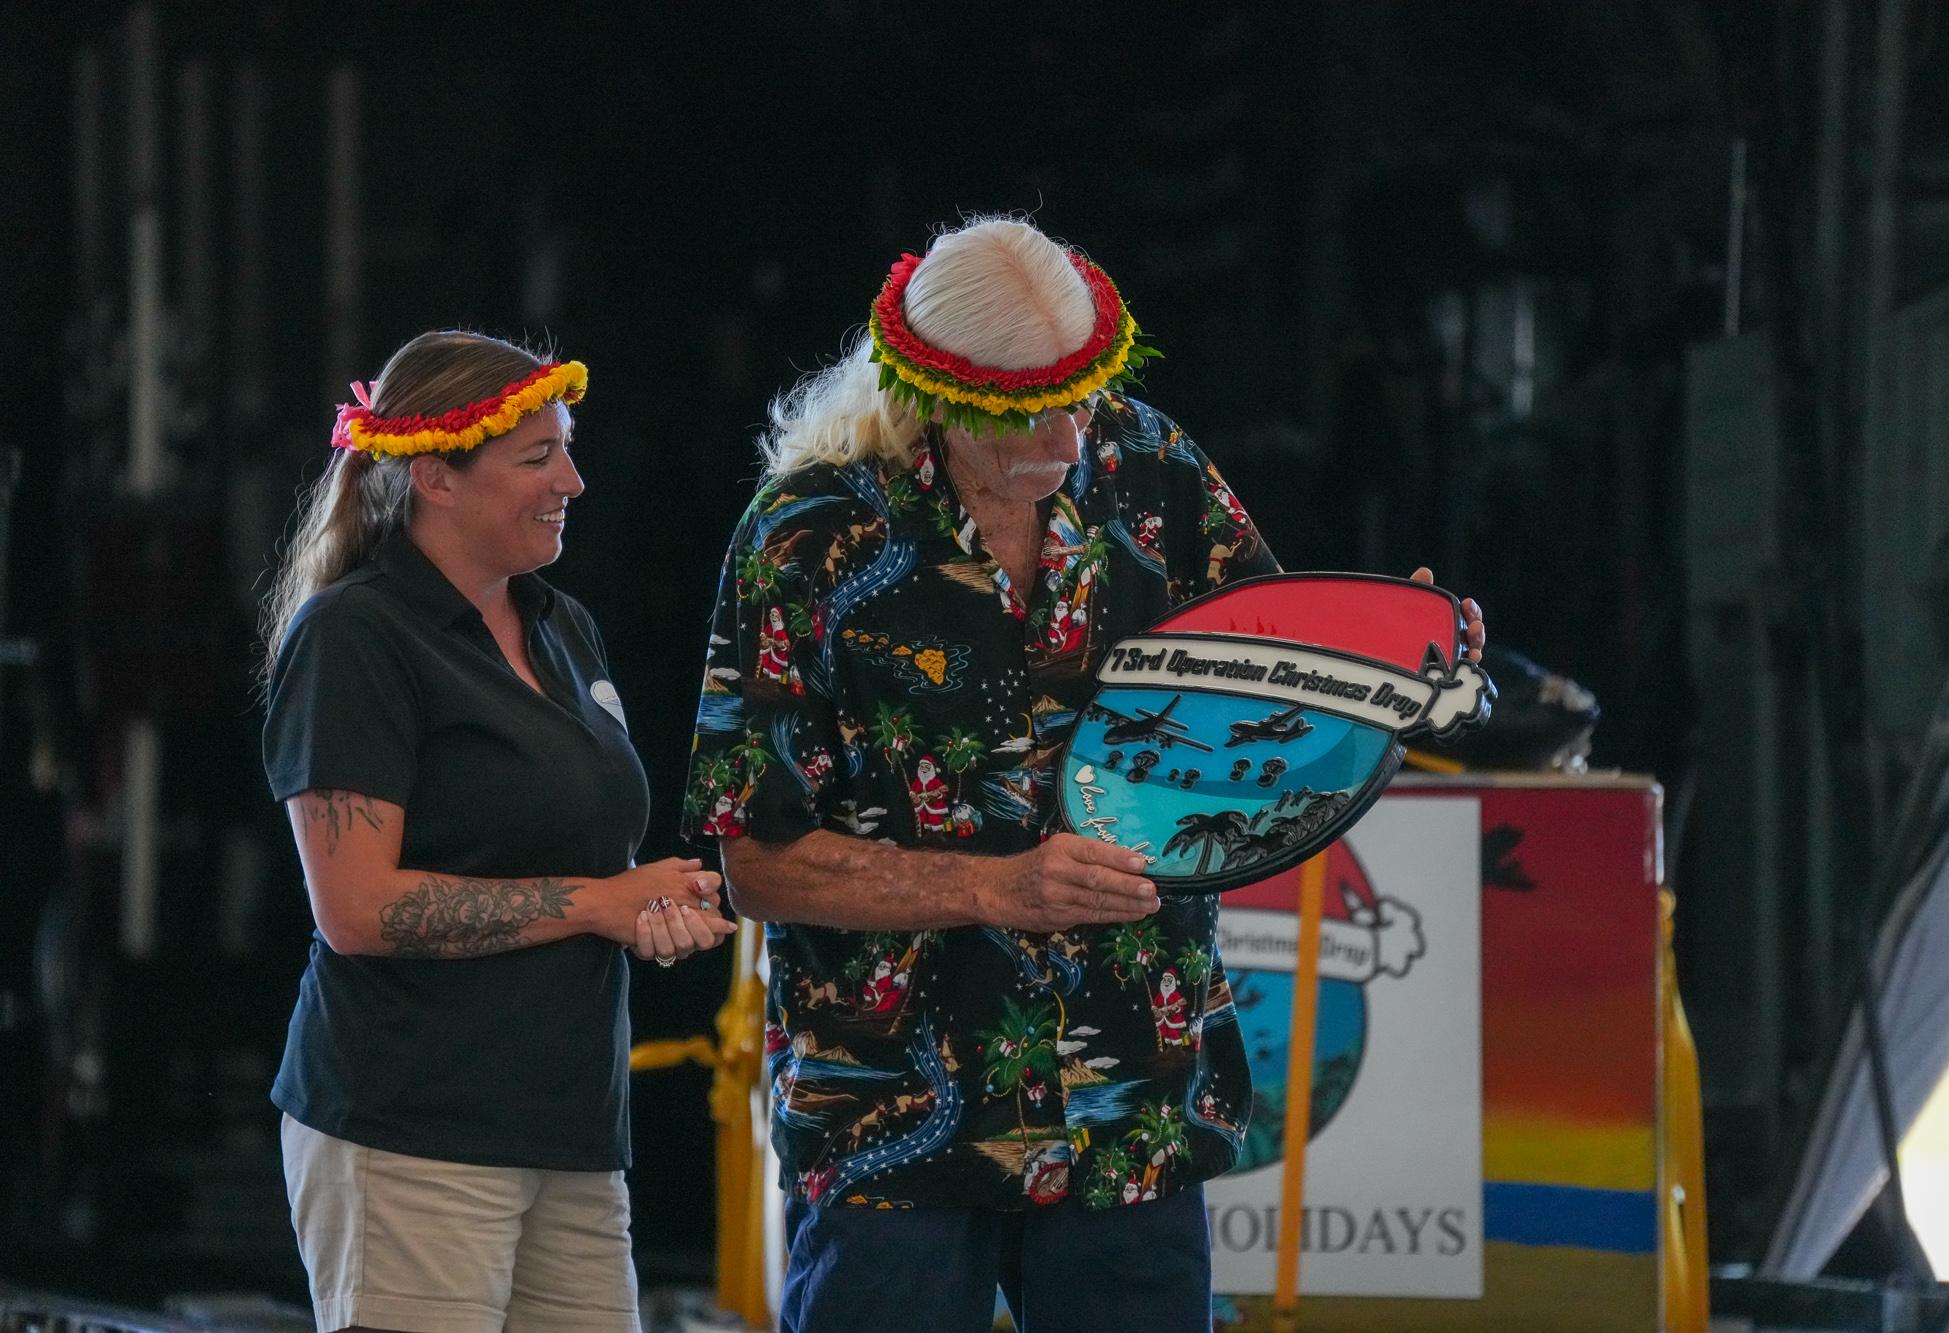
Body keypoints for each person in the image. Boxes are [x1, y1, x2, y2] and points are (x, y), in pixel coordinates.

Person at [686, 219, 1485, 1332]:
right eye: (1030, 411)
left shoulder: (1150, 467)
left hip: (1134, 1097)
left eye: (1085, 392)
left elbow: (1266, 705)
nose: (1071, 433)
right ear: (938, 395)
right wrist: (993, 887)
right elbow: (754, 859)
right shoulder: (805, 536)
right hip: (893, 1107)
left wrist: (1381, 663)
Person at [260, 330, 735, 1333]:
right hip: (413, 1128)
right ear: (435, 475)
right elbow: (355, 908)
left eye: (566, 448)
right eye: (537, 457)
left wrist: (642, 907)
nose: (573, 477)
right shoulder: (356, 634)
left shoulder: (560, 623)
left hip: (568, 1128)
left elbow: (578, 868)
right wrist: (599, 902)